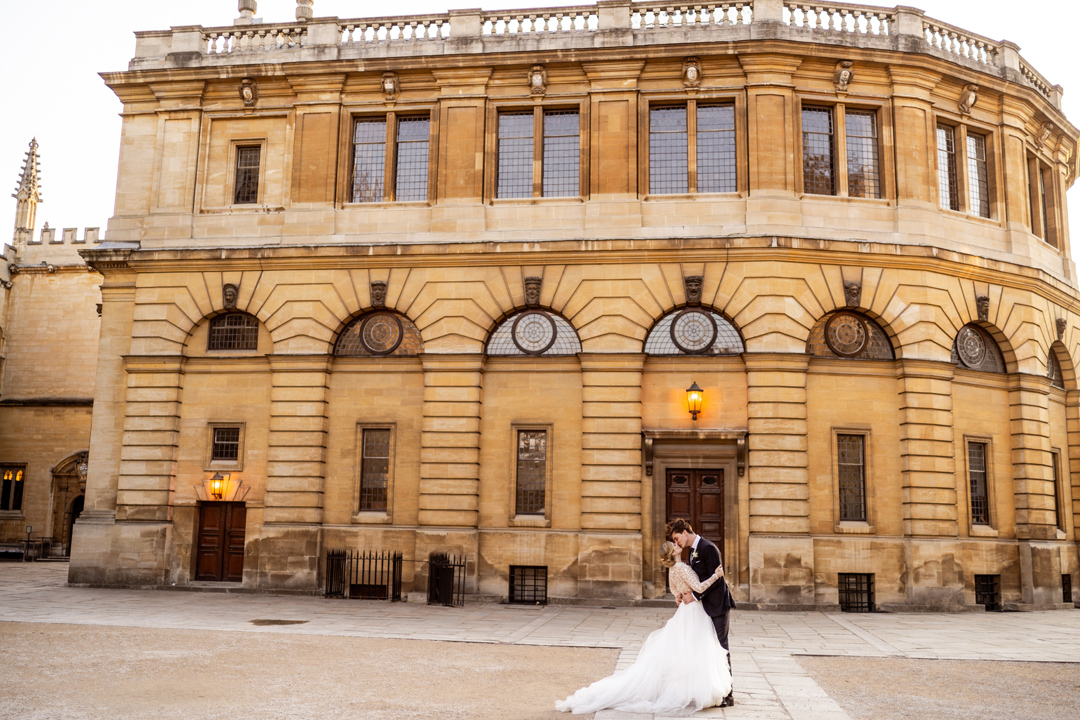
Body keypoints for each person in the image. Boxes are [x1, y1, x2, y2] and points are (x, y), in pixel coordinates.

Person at [555, 541, 732, 715]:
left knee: (683, 651)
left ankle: (687, 691)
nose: (678, 545)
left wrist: (679, 596)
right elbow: (699, 587)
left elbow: (673, 591)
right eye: (675, 545)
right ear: (673, 552)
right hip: (694, 612)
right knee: (696, 650)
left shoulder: (671, 571)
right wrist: (716, 575)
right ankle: (695, 691)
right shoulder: (683, 568)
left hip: (683, 613)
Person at [670, 517, 735, 708]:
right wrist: (684, 594)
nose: (676, 542)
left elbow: (717, 579)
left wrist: (696, 597)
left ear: (685, 532)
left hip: (717, 605)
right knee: (710, 648)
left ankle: (728, 694)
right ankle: (713, 689)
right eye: (674, 541)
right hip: (704, 607)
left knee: (721, 648)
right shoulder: (692, 553)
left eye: (676, 538)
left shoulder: (708, 548)